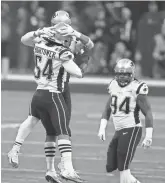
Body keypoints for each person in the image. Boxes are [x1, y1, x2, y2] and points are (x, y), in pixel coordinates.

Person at [8, 10, 93, 183]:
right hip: (54, 94)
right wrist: (84, 61)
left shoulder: (40, 42)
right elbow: (78, 71)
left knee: (36, 122)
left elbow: (24, 39)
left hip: (39, 92)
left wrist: (38, 32)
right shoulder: (63, 51)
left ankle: (21, 151)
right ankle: (67, 168)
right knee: (62, 130)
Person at [98, 58, 153, 183]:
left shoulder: (137, 88)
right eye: (119, 74)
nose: (122, 77)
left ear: (132, 74)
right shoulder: (112, 85)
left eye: (125, 74)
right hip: (119, 130)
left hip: (132, 128)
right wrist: (102, 127)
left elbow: (148, 113)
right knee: (111, 165)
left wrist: (148, 136)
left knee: (123, 163)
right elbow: (108, 108)